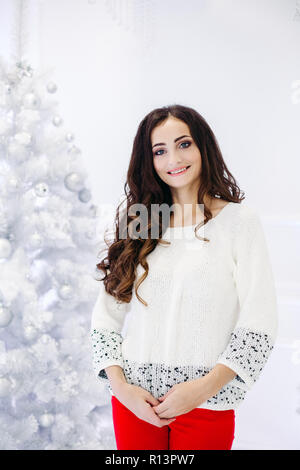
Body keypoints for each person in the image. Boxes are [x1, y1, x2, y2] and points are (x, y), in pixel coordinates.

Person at [90, 104, 278, 450]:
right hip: (135, 403)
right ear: (150, 161)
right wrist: (122, 389)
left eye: (184, 144)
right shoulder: (141, 221)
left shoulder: (240, 223)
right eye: (159, 151)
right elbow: (105, 319)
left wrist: (203, 388)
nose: (173, 159)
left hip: (205, 403)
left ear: (203, 146)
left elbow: (259, 322)